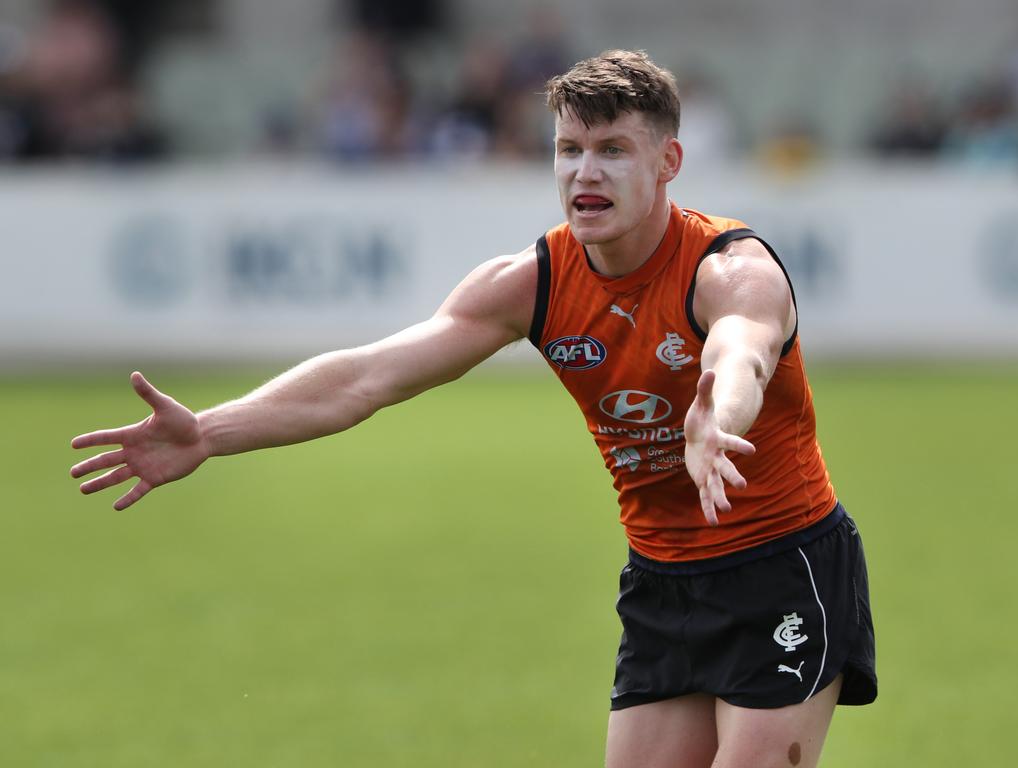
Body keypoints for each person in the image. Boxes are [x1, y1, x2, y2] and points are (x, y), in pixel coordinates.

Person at [71, 50, 876, 768]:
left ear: (668, 161)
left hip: (783, 565)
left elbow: (744, 350)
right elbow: (366, 378)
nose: (583, 173)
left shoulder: (730, 268)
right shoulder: (532, 282)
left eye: (611, 151)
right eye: (568, 150)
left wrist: (718, 414)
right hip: (664, 583)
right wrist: (210, 430)